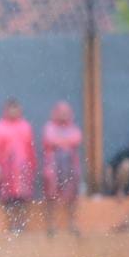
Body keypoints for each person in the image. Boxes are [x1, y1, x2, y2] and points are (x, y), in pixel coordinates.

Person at [0, 99, 37, 234]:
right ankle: (11, 224)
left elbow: (30, 148)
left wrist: (32, 166)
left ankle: (22, 224)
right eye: (11, 109)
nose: (13, 111)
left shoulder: (25, 126)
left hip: (23, 168)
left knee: (23, 198)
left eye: (16, 108)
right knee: (8, 199)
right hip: (7, 168)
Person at [41, 101, 82, 236]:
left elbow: (77, 139)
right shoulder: (49, 126)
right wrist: (65, 142)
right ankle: (51, 225)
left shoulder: (73, 127)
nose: (63, 115)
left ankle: (73, 223)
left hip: (70, 166)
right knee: (51, 195)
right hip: (53, 167)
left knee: (72, 196)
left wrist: (60, 142)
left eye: (66, 112)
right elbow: (49, 140)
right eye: (61, 112)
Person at [106, 130, 129, 200]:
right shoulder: (126, 154)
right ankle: (119, 192)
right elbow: (109, 168)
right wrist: (111, 187)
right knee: (127, 165)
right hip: (120, 189)